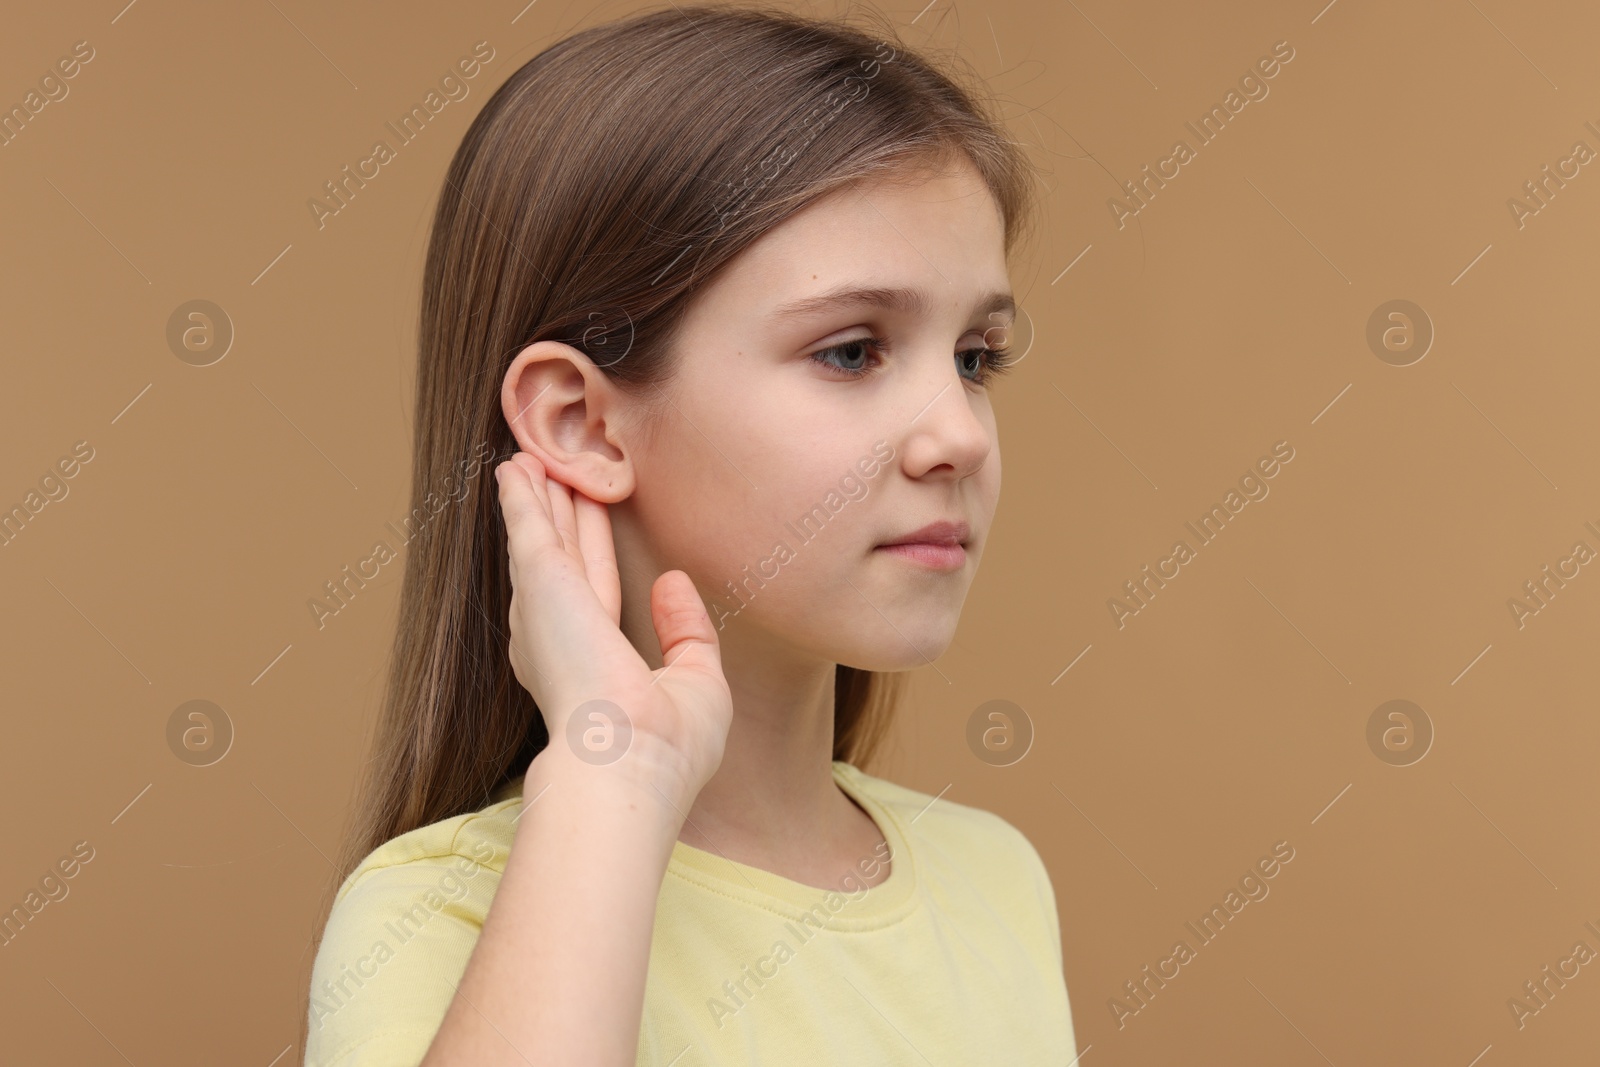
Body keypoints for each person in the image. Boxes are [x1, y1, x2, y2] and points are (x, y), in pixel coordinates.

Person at [299, 3, 1076, 1063]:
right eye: (851, 351)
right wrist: (613, 774)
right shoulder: (433, 915)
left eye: (975, 356)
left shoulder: (994, 879)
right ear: (581, 421)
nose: (958, 434)